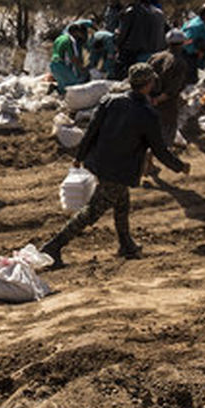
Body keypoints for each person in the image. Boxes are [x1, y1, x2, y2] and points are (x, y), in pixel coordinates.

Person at [39, 64, 190, 267]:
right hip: (119, 170)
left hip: (99, 162)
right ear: (147, 85)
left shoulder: (110, 101)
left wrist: (79, 156)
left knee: (121, 203)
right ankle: (53, 246)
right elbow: (160, 150)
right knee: (92, 211)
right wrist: (180, 166)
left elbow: (91, 131)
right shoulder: (148, 114)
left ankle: (126, 244)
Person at [148, 29, 192, 156]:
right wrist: (158, 100)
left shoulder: (155, 57)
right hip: (167, 104)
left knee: (150, 131)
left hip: (150, 99)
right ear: (183, 43)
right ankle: (156, 156)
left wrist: (150, 99)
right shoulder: (179, 62)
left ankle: (149, 159)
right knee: (167, 131)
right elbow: (173, 89)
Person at [114, 0, 155, 79]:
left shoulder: (130, 12)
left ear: (130, 0)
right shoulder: (145, 12)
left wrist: (118, 43)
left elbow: (124, 31)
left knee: (123, 68)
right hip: (142, 45)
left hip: (129, 46)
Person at [181, 3, 205, 82]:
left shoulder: (201, 24)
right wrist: (196, 51)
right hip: (189, 58)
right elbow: (186, 42)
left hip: (196, 57)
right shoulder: (196, 26)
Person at [50, 22, 89, 93]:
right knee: (74, 85)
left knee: (63, 87)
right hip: (60, 65)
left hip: (53, 64)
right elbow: (73, 58)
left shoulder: (59, 38)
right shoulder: (70, 41)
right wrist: (82, 69)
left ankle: (55, 88)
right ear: (76, 32)